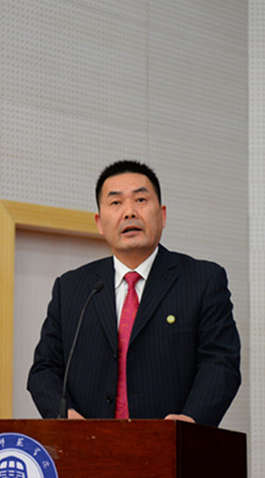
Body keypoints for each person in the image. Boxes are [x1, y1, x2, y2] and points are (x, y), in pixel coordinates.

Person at [27, 160, 241, 426]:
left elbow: (221, 362)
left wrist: (191, 420)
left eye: (140, 200)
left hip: (173, 441)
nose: (129, 212)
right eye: (116, 203)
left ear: (162, 215)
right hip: (89, 443)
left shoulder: (202, 280)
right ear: (99, 223)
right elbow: (44, 369)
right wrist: (65, 417)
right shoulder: (72, 287)